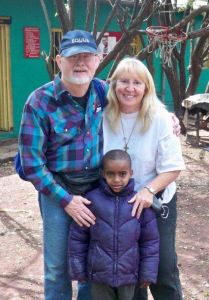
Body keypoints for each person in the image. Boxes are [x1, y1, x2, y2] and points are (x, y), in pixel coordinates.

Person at [18, 29, 180, 300]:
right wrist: (67, 200)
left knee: (92, 263)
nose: (80, 63)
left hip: (97, 188)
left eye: (87, 57)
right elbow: (32, 164)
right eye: (73, 57)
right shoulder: (39, 101)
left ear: (97, 60)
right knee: (58, 267)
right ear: (59, 61)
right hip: (58, 191)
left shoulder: (103, 92)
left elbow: (138, 97)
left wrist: (169, 117)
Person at [103, 57, 185, 300]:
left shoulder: (160, 118)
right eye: (124, 81)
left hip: (156, 202)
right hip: (120, 204)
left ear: (146, 87)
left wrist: (148, 191)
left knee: (162, 269)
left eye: (137, 83)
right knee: (131, 272)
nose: (130, 88)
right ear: (114, 85)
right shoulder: (103, 116)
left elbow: (173, 168)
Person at [68, 149, 160, 300]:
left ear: (131, 173)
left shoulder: (139, 203)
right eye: (111, 174)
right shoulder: (91, 201)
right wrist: (78, 270)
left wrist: (148, 273)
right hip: (99, 276)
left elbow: (150, 242)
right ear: (103, 174)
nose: (117, 179)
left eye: (122, 174)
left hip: (129, 276)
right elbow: (78, 239)